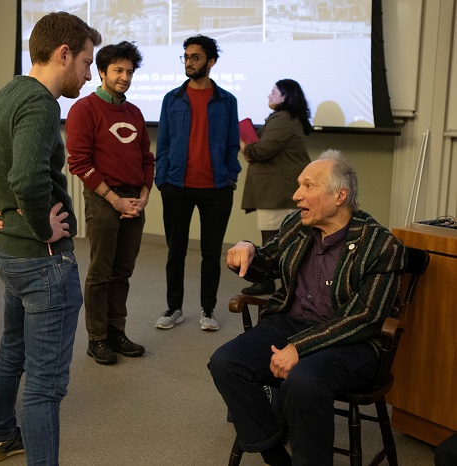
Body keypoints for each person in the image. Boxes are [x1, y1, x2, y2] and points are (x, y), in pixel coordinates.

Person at [0, 12, 101, 465]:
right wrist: (46, 229)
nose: (88, 73)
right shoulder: (41, 103)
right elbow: (26, 178)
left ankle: (0, 436)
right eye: (86, 62)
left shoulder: (8, 92)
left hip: (9, 255)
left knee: (13, 352)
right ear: (63, 54)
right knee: (44, 386)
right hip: (43, 262)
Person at [208, 150, 406, 466]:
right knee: (225, 361)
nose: (297, 194)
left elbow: (366, 317)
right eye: (299, 185)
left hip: (350, 341)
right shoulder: (298, 225)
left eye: (308, 186)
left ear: (340, 195)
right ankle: (275, 455)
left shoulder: (380, 245)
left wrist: (299, 348)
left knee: (303, 381)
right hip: (291, 323)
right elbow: (267, 261)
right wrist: (248, 249)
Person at [66, 41, 154, 365]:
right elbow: (79, 162)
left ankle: (117, 331)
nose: (125, 77)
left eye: (129, 71)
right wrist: (115, 200)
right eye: (118, 70)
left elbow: (146, 157)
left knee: (123, 272)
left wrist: (144, 194)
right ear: (102, 72)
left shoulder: (135, 112)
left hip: (134, 199)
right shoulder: (83, 109)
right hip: (104, 197)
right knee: (101, 272)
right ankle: (97, 338)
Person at [154, 35, 241, 332]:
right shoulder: (172, 99)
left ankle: (208, 310)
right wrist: (162, 179)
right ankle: (174, 307)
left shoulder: (227, 101)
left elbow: (232, 145)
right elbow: (163, 144)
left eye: (195, 57)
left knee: (210, 252)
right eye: (186, 57)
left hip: (216, 188)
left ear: (211, 61)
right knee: (175, 251)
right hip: (176, 186)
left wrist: (231, 175)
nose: (189, 62)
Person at [239, 79, 312, 295]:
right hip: (275, 189)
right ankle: (274, 280)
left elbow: (262, 151)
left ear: (285, 96)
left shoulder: (283, 119)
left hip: (277, 191)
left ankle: (269, 280)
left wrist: (246, 147)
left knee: (272, 237)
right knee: (274, 236)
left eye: (273, 92)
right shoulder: (285, 118)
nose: (269, 96)